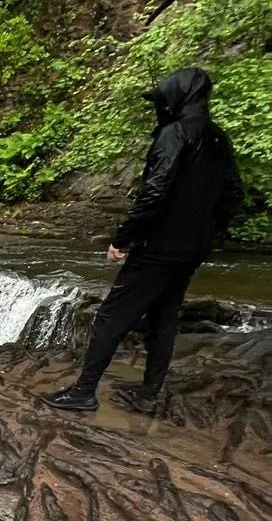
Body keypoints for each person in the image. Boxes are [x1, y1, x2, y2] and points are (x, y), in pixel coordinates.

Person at [41, 67, 243, 416]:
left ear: (176, 98)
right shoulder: (217, 138)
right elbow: (233, 195)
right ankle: (148, 394)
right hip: (192, 250)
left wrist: (124, 238)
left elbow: (155, 191)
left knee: (110, 317)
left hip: (158, 247)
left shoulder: (174, 133)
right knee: (165, 317)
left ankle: (84, 392)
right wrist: (207, 232)